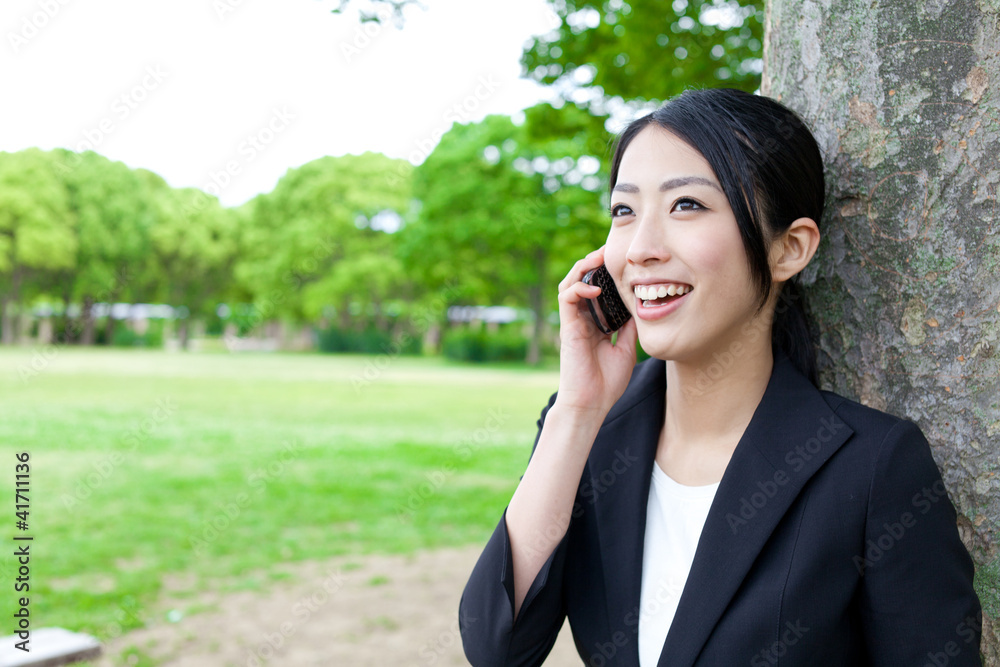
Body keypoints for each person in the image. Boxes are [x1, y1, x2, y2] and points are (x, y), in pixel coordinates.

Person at [458, 87, 983, 666]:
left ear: (790, 248)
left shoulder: (874, 467)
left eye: (687, 205)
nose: (641, 249)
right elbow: (498, 648)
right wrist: (579, 411)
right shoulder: (589, 433)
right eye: (624, 211)